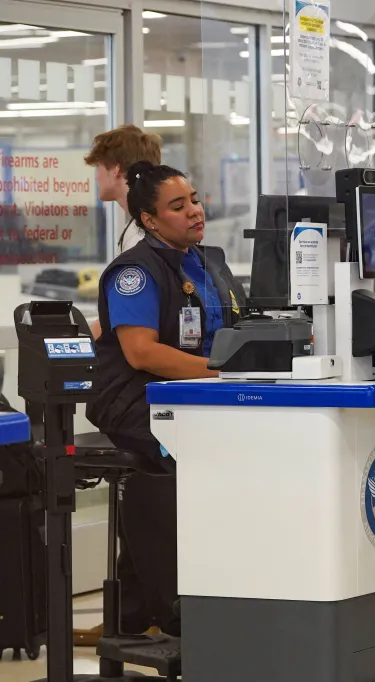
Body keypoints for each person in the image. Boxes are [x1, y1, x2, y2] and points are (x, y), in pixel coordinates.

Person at [86, 161, 248, 638]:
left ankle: (133, 614)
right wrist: (221, 373)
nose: (195, 211)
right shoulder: (133, 271)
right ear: (150, 220)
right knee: (185, 466)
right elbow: (140, 353)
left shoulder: (208, 260)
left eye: (195, 200)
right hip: (136, 400)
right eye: (178, 207)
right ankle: (173, 611)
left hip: (194, 394)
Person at [84, 124, 163, 340]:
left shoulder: (146, 232)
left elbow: (132, 316)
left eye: (99, 167)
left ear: (116, 169)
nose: (97, 177)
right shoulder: (138, 225)